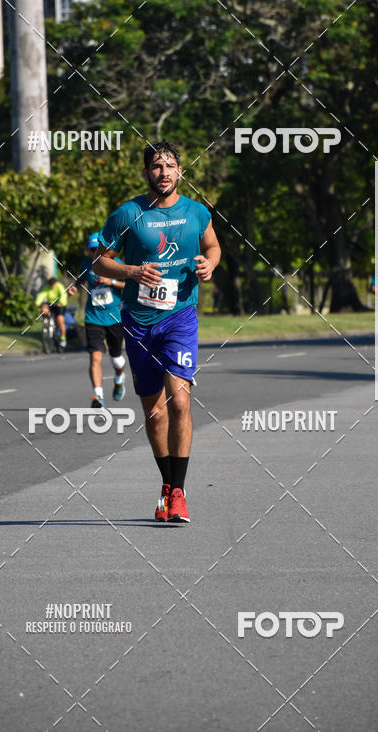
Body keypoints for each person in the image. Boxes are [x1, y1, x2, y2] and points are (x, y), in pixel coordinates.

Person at [94, 140, 221, 523]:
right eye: (156, 166)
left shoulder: (196, 212)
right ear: (146, 172)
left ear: (180, 171)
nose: (163, 172)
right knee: (154, 412)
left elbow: (213, 246)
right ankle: (166, 484)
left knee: (179, 402)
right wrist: (131, 271)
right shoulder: (128, 214)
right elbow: (99, 263)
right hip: (138, 322)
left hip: (180, 318)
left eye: (169, 166)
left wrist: (210, 265)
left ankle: (179, 493)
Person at [69, 233, 127, 408]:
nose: (96, 252)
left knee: (117, 360)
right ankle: (98, 396)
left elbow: (130, 285)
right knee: (95, 357)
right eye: (93, 250)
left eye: (99, 249)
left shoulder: (118, 264)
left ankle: (119, 378)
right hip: (93, 317)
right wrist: (74, 287)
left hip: (114, 317)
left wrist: (112, 282)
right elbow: (79, 280)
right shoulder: (86, 265)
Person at [35, 276, 68, 352]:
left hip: (60, 305)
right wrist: (37, 303)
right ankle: (46, 325)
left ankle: (63, 338)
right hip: (51, 304)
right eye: (50, 284)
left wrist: (61, 302)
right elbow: (42, 295)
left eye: (53, 284)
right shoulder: (47, 287)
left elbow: (63, 295)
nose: (51, 286)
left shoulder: (59, 286)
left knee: (60, 321)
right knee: (44, 309)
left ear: (55, 283)